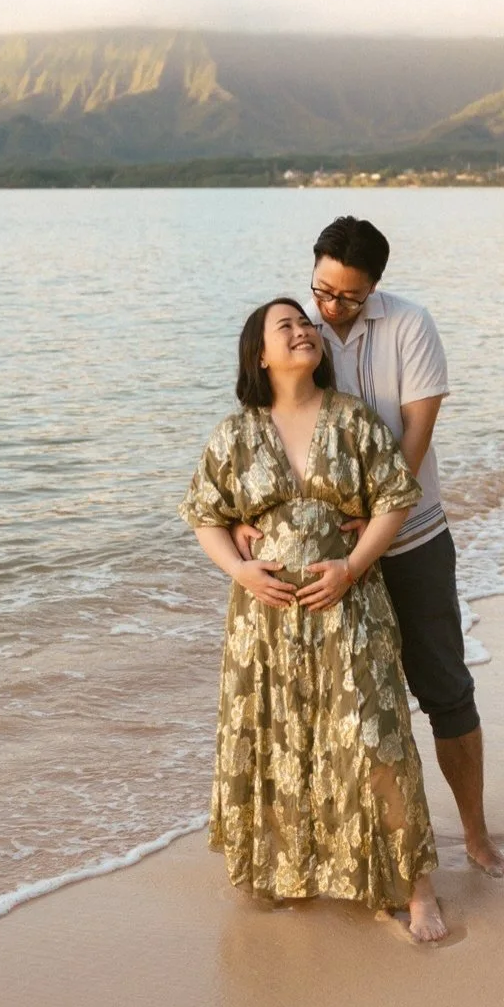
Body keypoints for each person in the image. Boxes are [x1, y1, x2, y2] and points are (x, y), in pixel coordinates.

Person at [237, 215, 504, 878]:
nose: (329, 309)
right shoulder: (294, 330)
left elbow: (416, 431)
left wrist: (379, 508)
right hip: (322, 553)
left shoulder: (408, 326)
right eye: (322, 290)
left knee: (443, 688)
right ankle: (349, 849)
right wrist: (251, 517)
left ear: (374, 288)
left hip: (412, 536)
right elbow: (266, 420)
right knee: (343, 703)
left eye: (347, 297)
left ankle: (475, 834)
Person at [180, 297, 447, 941]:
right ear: (259, 355)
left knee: (375, 737)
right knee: (277, 738)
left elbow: (393, 500)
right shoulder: (234, 434)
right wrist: (240, 572)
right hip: (263, 620)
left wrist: (352, 565)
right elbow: (204, 516)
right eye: (286, 326)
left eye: (307, 324)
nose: (303, 331)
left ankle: (417, 889)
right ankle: (286, 869)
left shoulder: (352, 420)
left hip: (348, 602)